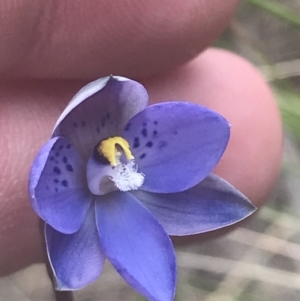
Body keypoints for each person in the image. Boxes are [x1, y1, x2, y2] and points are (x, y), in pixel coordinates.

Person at [0, 0, 282, 276]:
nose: (117, 160)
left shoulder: (135, 166)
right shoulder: (53, 186)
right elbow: (67, 268)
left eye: (120, 155)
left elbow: (205, 134)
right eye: (109, 158)